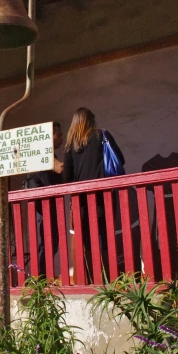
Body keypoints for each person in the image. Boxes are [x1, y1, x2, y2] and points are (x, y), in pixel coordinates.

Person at [63, 108, 124, 268]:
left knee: (88, 238)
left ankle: (94, 276)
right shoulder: (101, 135)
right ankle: (109, 276)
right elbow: (120, 160)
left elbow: (67, 176)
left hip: (81, 200)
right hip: (104, 196)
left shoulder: (70, 144)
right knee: (106, 234)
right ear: (91, 120)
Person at [23, 122, 63, 276]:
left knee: (50, 242)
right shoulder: (42, 153)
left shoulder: (49, 155)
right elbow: (60, 168)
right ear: (48, 137)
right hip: (43, 205)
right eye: (58, 135)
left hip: (48, 204)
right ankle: (40, 278)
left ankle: (42, 276)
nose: (61, 138)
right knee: (47, 242)